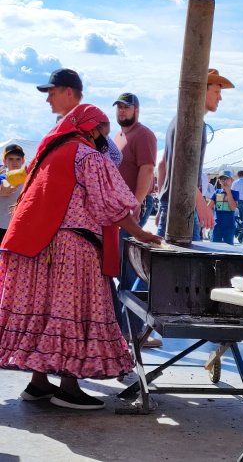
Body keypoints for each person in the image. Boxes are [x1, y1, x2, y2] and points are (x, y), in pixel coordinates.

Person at [0, 104, 161, 411]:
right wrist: (140, 233)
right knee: (72, 313)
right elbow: (111, 204)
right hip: (72, 248)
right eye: (102, 130)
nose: (105, 137)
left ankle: (38, 383)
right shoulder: (87, 156)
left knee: (46, 314)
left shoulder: (48, 155)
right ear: (90, 127)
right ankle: (69, 388)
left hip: (38, 248)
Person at [157, 69, 234, 239]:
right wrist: (201, 203)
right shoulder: (192, 122)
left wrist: (163, 203)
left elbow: (163, 165)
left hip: (171, 204)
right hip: (184, 207)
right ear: (201, 90)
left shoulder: (176, 119)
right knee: (185, 263)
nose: (220, 97)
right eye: (216, 92)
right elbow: (183, 169)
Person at [112, 93, 160, 347]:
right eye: (119, 107)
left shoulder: (144, 135)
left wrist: (136, 202)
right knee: (121, 270)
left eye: (126, 107)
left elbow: (147, 170)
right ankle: (127, 330)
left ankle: (131, 331)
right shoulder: (119, 137)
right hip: (118, 210)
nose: (121, 111)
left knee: (130, 272)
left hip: (131, 207)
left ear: (136, 110)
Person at [0, 145, 26, 243]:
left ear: (23, 161)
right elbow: (5, 190)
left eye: (18, 159)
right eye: (10, 159)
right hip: (2, 225)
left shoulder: (29, 180)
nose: (14, 162)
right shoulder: (2, 177)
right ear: (4, 161)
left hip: (18, 226)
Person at [208, 170, 239, 245]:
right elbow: (208, 207)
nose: (224, 181)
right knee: (215, 247)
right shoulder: (216, 192)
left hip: (229, 226)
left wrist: (228, 192)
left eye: (226, 179)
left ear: (231, 181)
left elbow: (233, 208)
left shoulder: (235, 193)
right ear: (219, 181)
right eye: (222, 179)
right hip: (217, 225)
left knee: (228, 249)